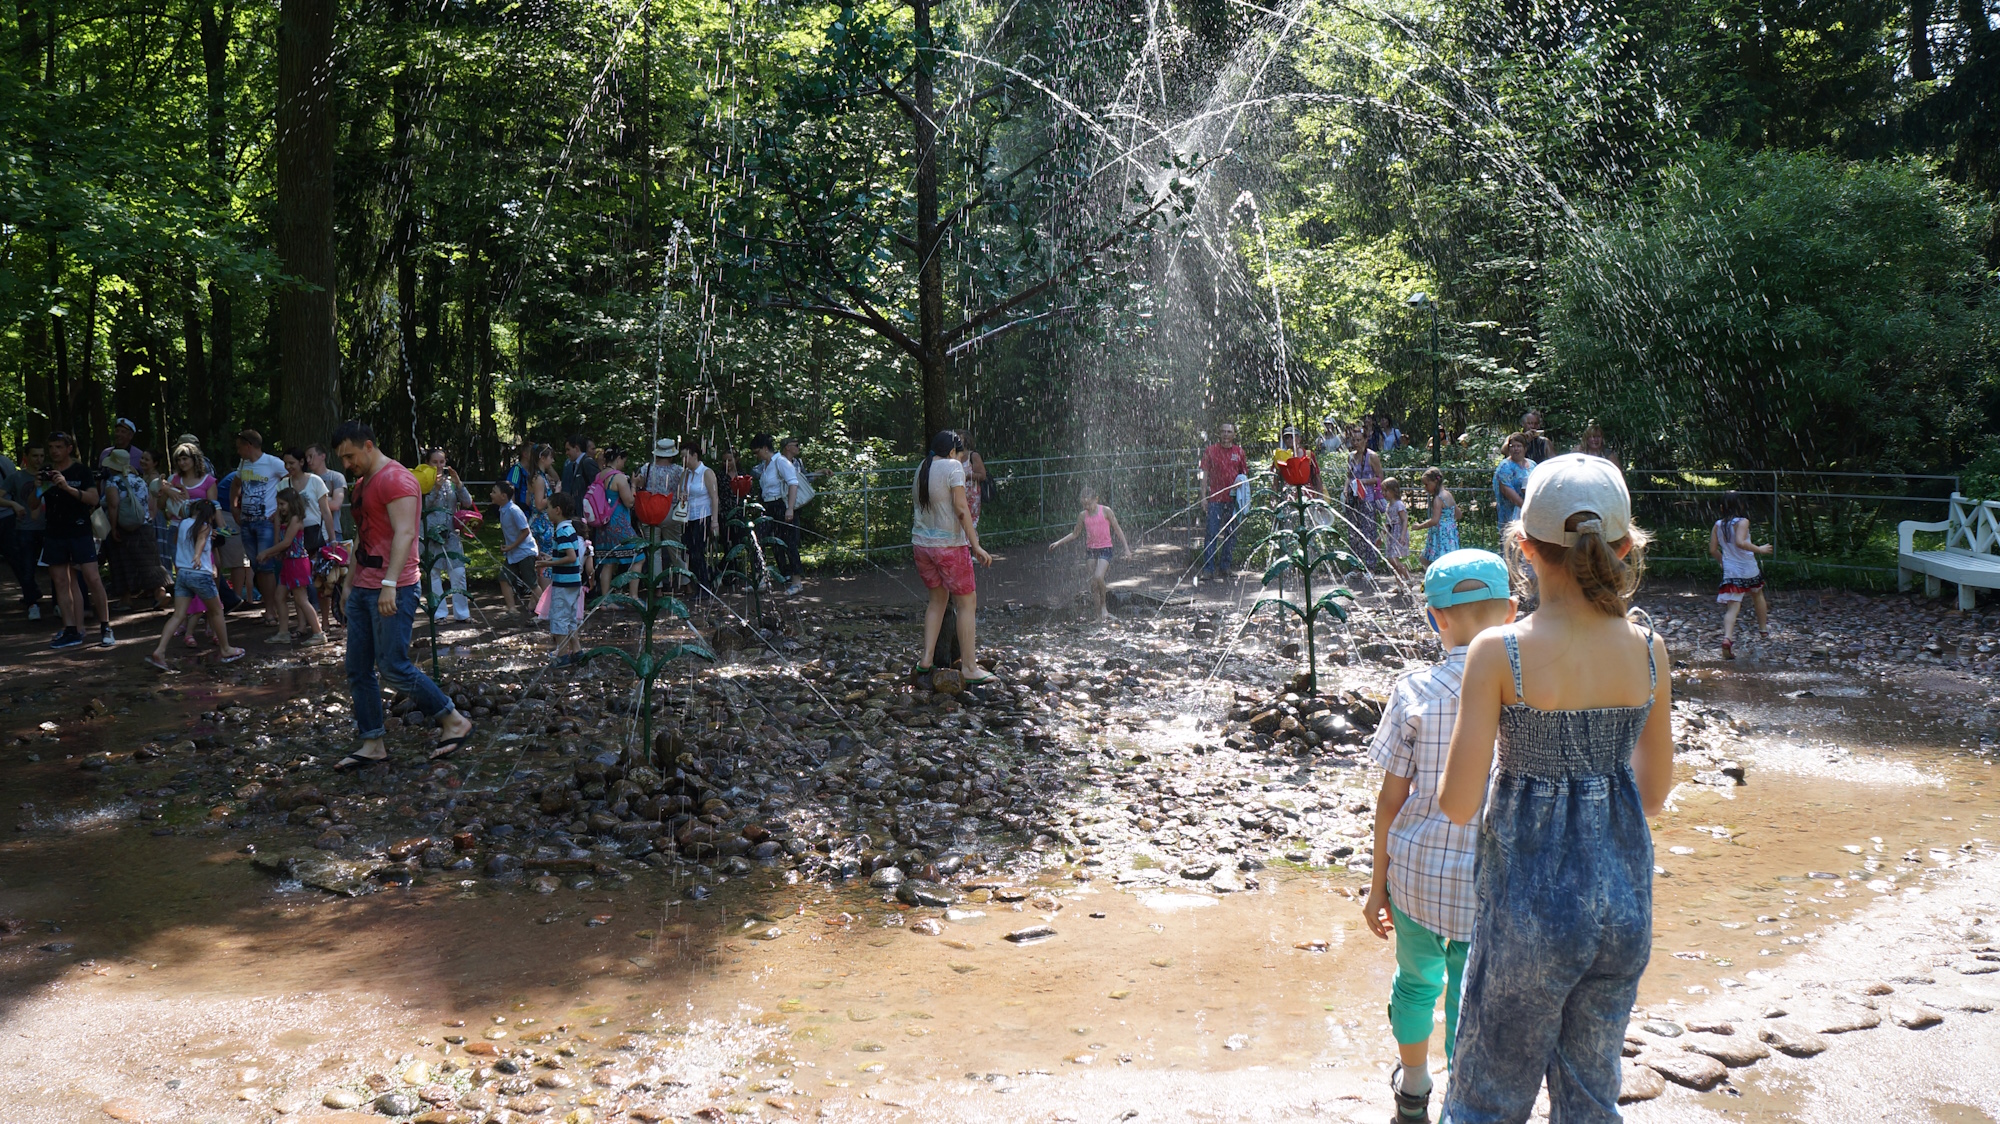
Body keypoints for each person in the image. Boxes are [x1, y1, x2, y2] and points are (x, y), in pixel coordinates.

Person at [1436, 453, 1673, 1123]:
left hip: (1528, 916)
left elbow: (1457, 803)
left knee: (1488, 1098)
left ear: (1523, 546)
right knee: (1591, 1098)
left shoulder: (1499, 651)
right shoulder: (1648, 648)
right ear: (1625, 548)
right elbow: (1654, 793)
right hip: (1624, 907)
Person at [1363, 549, 1516, 1122]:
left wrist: (1376, 886)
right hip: (1491, 881)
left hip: (1418, 876)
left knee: (1414, 982)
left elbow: (1389, 800)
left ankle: (1414, 1088)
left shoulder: (1413, 691)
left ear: (1434, 617)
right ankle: (1464, 1096)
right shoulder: (1523, 694)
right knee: (1470, 993)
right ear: (1512, 613)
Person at [330, 420, 475, 770]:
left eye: (349, 456)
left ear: (368, 445)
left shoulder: (397, 479)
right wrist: (349, 581)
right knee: (357, 668)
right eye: (342, 460)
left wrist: (390, 584)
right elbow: (363, 536)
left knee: (393, 666)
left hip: (394, 586)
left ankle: (453, 720)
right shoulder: (363, 483)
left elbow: (406, 533)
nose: (346, 465)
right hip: (365, 585)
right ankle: (372, 742)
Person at [911, 430, 993, 680]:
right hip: (949, 547)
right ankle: (969, 668)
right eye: (961, 454)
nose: (961, 458)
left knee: (937, 600)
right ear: (951, 452)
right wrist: (976, 545)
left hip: (921, 545)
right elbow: (960, 508)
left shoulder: (921, 467)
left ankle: (926, 659)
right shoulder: (952, 467)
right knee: (966, 602)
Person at [143, 500, 244, 670]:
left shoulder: (183, 523)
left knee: (178, 615)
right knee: (216, 611)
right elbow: (201, 540)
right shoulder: (204, 527)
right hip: (200, 575)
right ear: (210, 515)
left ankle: (159, 651)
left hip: (183, 574)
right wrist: (197, 555)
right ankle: (226, 649)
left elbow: (186, 539)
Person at [38, 433, 115, 648]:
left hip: (80, 531)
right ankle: (71, 629)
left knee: (92, 578)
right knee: (61, 581)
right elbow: (34, 504)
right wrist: (38, 486)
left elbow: (92, 499)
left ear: (69, 448)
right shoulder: (46, 471)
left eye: (59, 446)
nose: (54, 451)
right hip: (54, 533)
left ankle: (105, 626)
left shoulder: (81, 471)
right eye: (51, 446)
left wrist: (67, 487)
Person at [232, 429, 288, 633]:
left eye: (240, 447)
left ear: (249, 445)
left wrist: (281, 509)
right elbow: (236, 483)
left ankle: (272, 610)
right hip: (247, 521)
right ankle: (268, 608)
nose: (238, 451)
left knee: (265, 565)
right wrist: (234, 505)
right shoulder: (244, 464)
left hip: (265, 521)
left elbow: (291, 480)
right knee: (256, 564)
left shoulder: (273, 463)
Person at [1047, 485, 1130, 620]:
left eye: (1089, 503)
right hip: (1091, 550)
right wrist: (1058, 542)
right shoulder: (1082, 516)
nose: (1086, 507)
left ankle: (1104, 608)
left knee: (1098, 576)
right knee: (1093, 583)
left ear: (1096, 499)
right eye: (1084, 504)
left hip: (1105, 548)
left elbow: (1117, 529)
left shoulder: (1106, 511)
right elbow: (1075, 534)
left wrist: (1126, 548)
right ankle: (1098, 615)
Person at [255, 487, 325, 645]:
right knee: (279, 596)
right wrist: (277, 525)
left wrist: (266, 552)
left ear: (292, 503)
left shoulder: (296, 519)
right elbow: (280, 543)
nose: (280, 508)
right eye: (278, 504)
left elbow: (286, 542)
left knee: (301, 599)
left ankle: (318, 632)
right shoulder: (285, 520)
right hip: (288, 562)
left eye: (282, 504)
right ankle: (283, 632)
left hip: (297, 562)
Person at [1710, 491, 1773, 660]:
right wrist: (1760, 549)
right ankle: (1763, 630)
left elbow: (1712, 549)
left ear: (1722, 507)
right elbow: (1740, 542)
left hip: (1731, 570)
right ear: (1741, 506)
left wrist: (1723, 561)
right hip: (1747, 567)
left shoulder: (1717, 525)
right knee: (1757, 594)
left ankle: (1727, 638)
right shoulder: (1743, 521)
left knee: (1733, 606)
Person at [102, 449, 168, 610]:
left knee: (121, 562)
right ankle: (160, 592)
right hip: (144, 526)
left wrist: (114, 527)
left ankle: (126, 599)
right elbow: (150, 503)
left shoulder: (113, 482)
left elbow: (113, 506)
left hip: (124, 528)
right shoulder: (139, 480)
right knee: (150, 561)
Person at [419, 447, 474, 621]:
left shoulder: (451, 482)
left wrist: (459, 484)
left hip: (451, 534)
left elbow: (467, 503)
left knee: (458, 572)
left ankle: (462, 614)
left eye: (441, 462)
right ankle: (439, 614)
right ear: (427, 463)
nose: (439, 466)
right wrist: (435, 488)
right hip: (430, 534)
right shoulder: (422, 482)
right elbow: (423, 507)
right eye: (434, 462)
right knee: (434, 574)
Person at [750, 433, 804, 594]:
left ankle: (796, 581)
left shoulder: (781, 462)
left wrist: (790, 509)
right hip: (768, 506)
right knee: (758, 539)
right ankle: (761, 579)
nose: (756, 455)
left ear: (765, 449)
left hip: (782, 504)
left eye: (757, 451)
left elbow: (793, 484)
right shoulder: (766, 465)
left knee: (789, 542)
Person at [538, 491, 587, 663]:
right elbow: (568, 556)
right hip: (574, 582)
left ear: (557, 510)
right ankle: (577, 651)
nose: (547, 511)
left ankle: (561, 655)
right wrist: (552, 558)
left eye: (549, 508)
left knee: (559, 618)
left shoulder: (562, 531)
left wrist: (548, 564)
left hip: (564, 583)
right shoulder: (569, 528)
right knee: (570, 618)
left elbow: (571, 557)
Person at [0, 444, 44, 618]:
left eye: (41, 456)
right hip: (19, 521)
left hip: (14, 519)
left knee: (22, 560)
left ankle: (41, 597)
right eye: (35, 456)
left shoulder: (4, 462)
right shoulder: (13, 471)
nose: (39, 460)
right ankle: (31, 598)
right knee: (22, 562)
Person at [1200, 423, 1247, 580]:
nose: (1226, 434)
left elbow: (1244, 476)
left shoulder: (1239, 452)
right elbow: (1204, 476)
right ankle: (1208, 569)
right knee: (1211, 533)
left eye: (1229, 432)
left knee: (1231, 534)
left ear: (1234, 435)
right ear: (1219, 434)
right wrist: (1203, 497)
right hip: (1215, 499)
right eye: (1223, 431)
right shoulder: (1210, 451)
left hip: (1233, 500)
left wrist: (1244, 497)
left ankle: (1225, 567)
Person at [680, 438, 721, 593]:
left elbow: (714, 497)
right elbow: (681, 493)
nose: (684, 460)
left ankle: (705, 586)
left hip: (703, 516)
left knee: (698, 551)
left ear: (695, 455)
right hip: (689, 517)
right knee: (690, 552)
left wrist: (715, 521)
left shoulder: (706, 472)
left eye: (686, 456)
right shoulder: (686, 474)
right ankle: (700, 583)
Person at [491, 481, 536, 616]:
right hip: (514, 553)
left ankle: (546, 610)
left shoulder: (513, 510)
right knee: (504, 578)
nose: (491, 494)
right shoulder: (503, 509)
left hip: (525, 552)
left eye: (494, 492)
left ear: (503, 496)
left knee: (532, 584)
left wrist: (511, 546)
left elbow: (525, 531)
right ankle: (512, 609)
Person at [1345, 424, 1385, 569]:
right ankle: (1357, 567)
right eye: (1353, 440)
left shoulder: (1372, 456)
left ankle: (1370, 567)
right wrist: (1346, 489)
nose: (1356, 443)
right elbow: (1349, 476)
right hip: (1354, 499)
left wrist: (1363, 482)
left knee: (1368, 533)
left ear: (1365, 440)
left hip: (1368, 499)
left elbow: (1380, 478)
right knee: (1354, 534)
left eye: (1358, 440)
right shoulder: (1351, 457)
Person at [1491, 431, 1535, 530]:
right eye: (1512, 446)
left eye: (1519, 446)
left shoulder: (1532, 464)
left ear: (1525, 448)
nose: (1515, 449)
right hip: (1511, 516)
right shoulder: (1505, 466)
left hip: (1530, 516)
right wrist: (1526, 509)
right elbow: (1507, 491)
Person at [1416, 467, 1458, 566]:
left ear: (1435, 481)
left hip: (1440, 534)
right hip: (1450, 532)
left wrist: (1419, 526)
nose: (1425, 488)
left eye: (1427, 484)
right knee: (1447, 561)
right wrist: (1448, 521)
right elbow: (1458, 514)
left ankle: (1433, 580)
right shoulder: (1448, 495)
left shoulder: (1438, 498)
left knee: (1428, 560)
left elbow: (1435, 520)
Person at [307, 443, 348, 539]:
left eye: (311, 456)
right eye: (306, 457)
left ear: (323, 456)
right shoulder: (306, 479)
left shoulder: (336, 477)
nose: (308, 460)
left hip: (333, 532)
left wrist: (311, 503)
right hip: (311, 531)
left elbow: (336, 505)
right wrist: (327, 500)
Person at [1381, 477, 1412, 582]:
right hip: (1391, 535)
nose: (1383, 493)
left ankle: (1408, 579)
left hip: (1398, 534)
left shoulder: (1399, 504)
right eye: (1382, 491)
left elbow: (1404, 520)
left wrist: (1402, 535)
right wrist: (1380, 537)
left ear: (1394, 490)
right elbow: (1387, 524)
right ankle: (1399, 585)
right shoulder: (1388, 506)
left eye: (1386, 491)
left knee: (1393, 559)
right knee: (1392, 561)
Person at [560, 434, 599, 508]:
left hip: (587, 510)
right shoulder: (575, 465)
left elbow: (597, 487)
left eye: (568, 449)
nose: (566, 453)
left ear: (577, 448)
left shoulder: (587, 462)